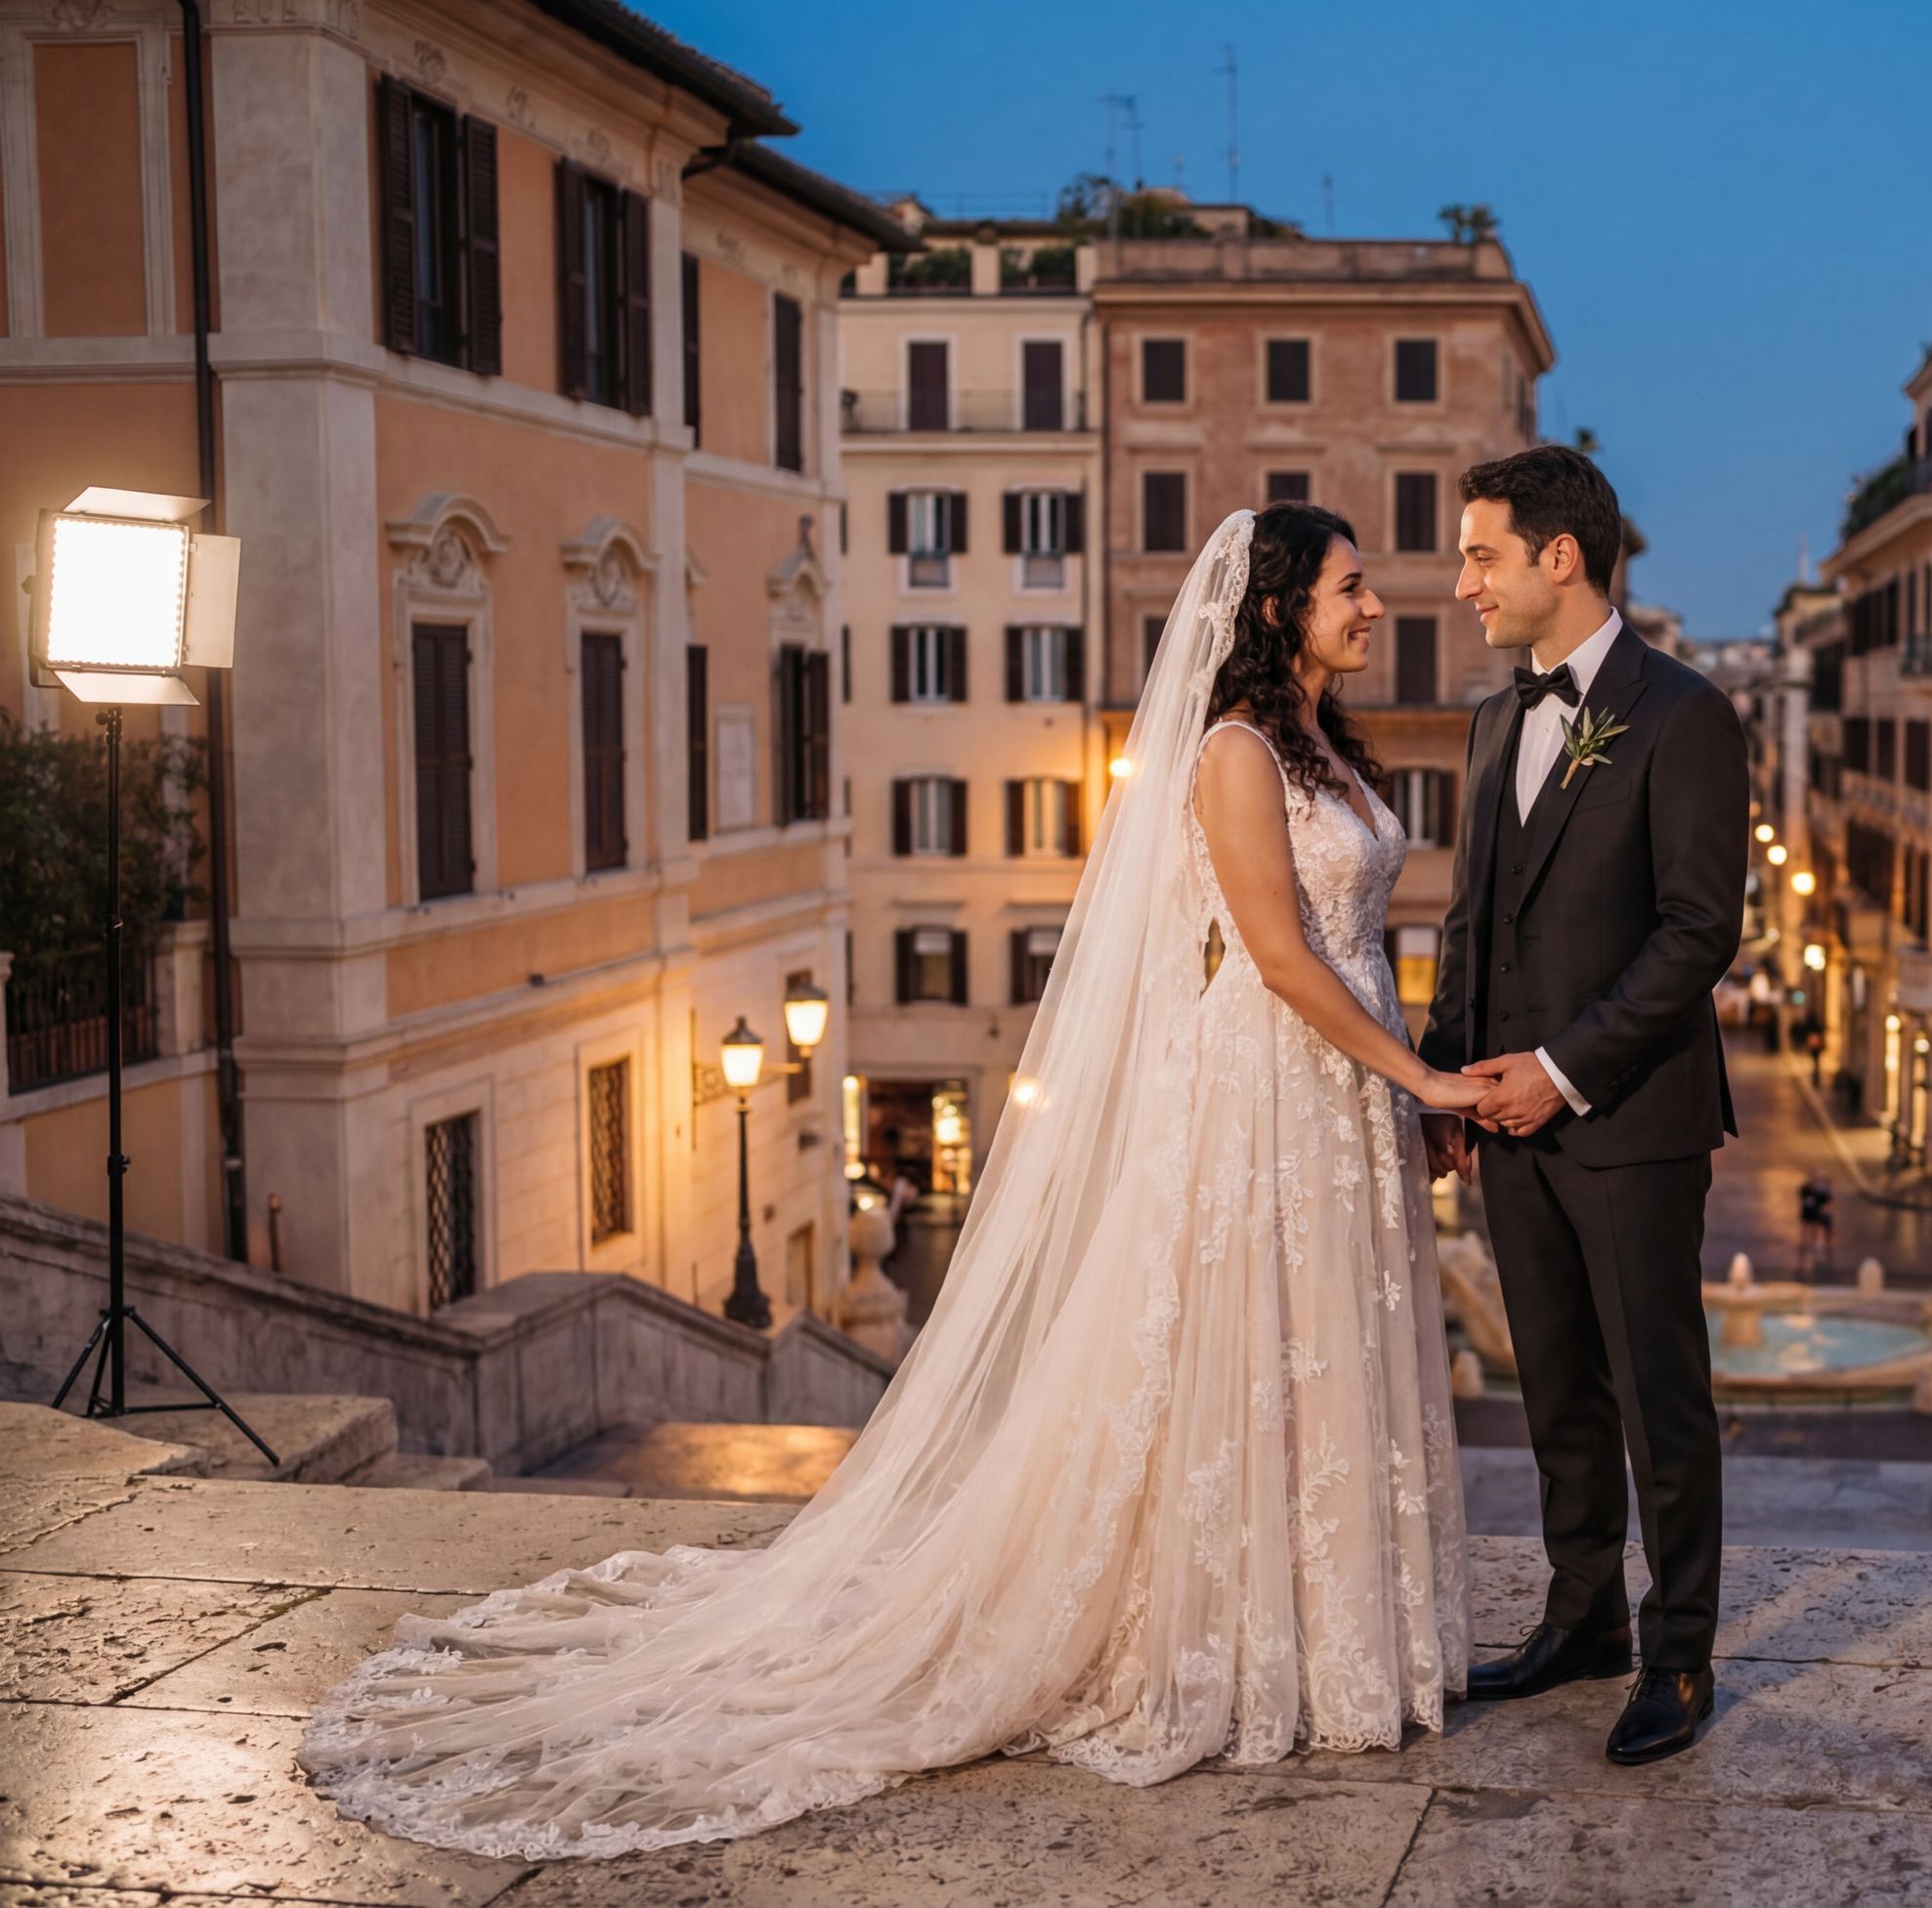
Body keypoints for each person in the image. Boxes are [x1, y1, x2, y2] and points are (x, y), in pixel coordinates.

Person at [300, 505, 1496, 1858]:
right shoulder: (1232, 754)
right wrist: (1431, 1082)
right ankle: (1246, 1640)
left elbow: (1349, 946)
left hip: (1337, 1093)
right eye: (1350, 586)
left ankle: (1338, 1635)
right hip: (1272, 1086)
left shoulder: (1329, 746)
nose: (1375, 604)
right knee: (1257, 1348)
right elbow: (1279, 958)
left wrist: (1401, 1093)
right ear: (1279, 607)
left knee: (1320, 1348)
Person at [1420, 445, 1749, 1769]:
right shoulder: (1497, 717)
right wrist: (1449, 1078)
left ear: (1561, 556)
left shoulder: (1686, 714)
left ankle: (1678, 1652)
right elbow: (1467, 918)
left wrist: (1559, 1070)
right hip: (1504, 1121)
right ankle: (1582, 1617)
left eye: (1481, 554)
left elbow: (1696, 931)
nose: (1462, 584)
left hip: (1629, 1118)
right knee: (1554, 1383)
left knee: (1656, 1394)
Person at [1796, 1172, 1834, 1277]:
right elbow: (1804, 1199)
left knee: (1814, 1229)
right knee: (1806, 1229)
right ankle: (1804, 1245)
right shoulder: (1805, 1189)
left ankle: (1813, 1244)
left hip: (1814, 1213)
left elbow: (1824, 1201)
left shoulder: (1819, 1191)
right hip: (1807, 1213)